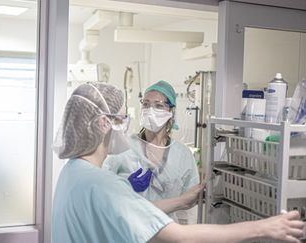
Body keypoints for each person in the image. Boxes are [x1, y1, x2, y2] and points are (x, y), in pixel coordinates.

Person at [51, 82, 304, 243]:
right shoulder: (104, 184)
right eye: (119, 120)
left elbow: (138, 213)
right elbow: (180, 237)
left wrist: (183, 201)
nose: (123, 125)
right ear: (103, 123)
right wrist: (266, 227)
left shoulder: (72, 172)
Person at [104, 80, 201, 223]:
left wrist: (185, 233)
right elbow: (102, 186)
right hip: (129, 227)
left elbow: (190, 201)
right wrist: (125, 184)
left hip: (167, 231)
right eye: (146, 104)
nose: (150, 110)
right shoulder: (123, 146)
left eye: (158, 105)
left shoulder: (183, 154)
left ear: (171, 111)